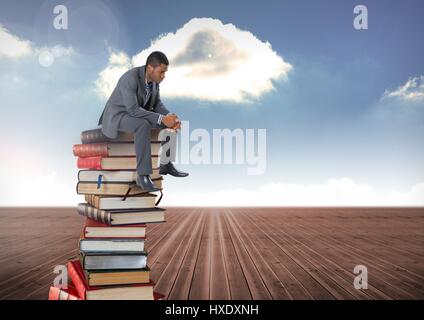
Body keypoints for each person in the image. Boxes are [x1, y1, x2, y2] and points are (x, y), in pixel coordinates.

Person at [98, 51, 188, 192]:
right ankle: (143, 175)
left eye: (165, 72)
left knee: (170, 124)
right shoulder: (130, 78)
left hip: (136, 113)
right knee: (142, 125)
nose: (163, 76)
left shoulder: (154, 82)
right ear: (150, 68)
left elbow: (157, 104)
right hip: (119, 115)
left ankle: (166, 164)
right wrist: (162, 118)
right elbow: (133, 109)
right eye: (161, 72)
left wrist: (170, 117)